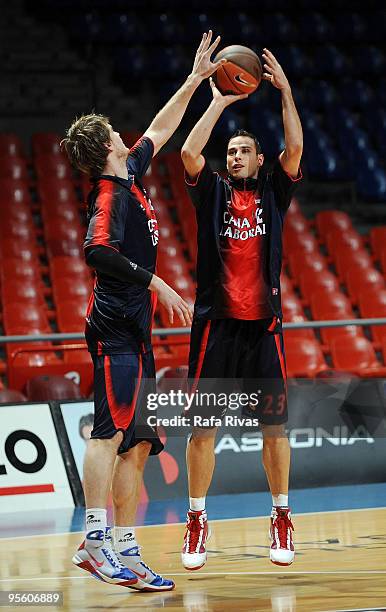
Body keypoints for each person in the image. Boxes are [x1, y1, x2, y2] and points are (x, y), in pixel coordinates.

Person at [62, 31, 226, 592]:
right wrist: (156, 281)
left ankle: (126, 550)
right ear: (104, 143)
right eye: (111, 129)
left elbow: (161, 126)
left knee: (137, 444)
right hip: (114, 327)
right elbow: (96, 251)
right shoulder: (109, 194)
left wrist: (195, 79)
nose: (121, 130)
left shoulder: (128, 171)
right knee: (109, 435)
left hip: (136, 328)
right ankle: (92, 541)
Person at [180, 48, 303, 570]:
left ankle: (280, 516)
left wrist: (286, 93)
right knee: (202, 430)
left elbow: (295, 146)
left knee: (274, 429)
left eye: (243, 150)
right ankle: (196, 522)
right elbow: (188, 153)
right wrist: (218, 99)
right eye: (229, 150)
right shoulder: (211, 192)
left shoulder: (275, 191)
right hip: (217, 326)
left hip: (264, 328)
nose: (233, 156)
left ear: (259, 158)